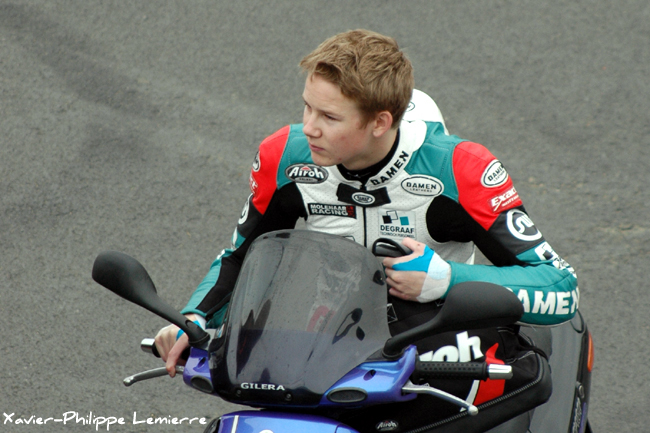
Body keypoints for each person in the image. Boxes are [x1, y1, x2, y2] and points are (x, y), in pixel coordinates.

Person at [155, 30, 578, 390]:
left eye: (329, 117)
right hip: (327, 346)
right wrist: (193, 319)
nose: (309, 128)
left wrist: (448, 279)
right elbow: (239, 258)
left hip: (437, 348)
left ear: (379, 122)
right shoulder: (284, 157)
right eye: (307, 107)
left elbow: (561, 288)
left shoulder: (460, 170)